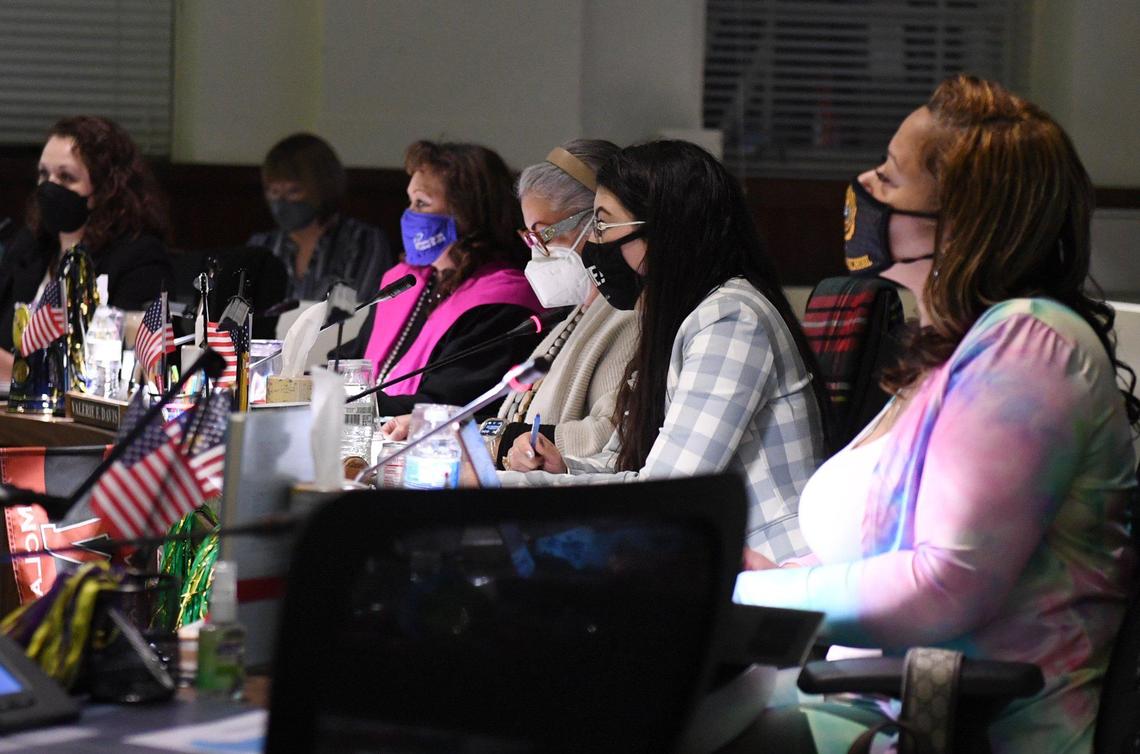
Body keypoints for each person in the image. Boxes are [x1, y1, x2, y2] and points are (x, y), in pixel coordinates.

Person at [733, 75, 1138, 752]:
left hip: (948, 726)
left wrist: (744, 597)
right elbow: (887, 545)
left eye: (890, 178)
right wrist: (774, 576)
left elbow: (947, 582)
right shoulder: (955, 354)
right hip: (867, 703)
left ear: (961, 221)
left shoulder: (1028, 344)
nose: (864, 183)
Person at [502, 140, 829, 565]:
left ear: (665, 230)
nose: (594, 245)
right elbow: (622, 458)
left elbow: (665, 492)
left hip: (768, 573)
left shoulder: (730, 320)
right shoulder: (679, 319)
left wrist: (496, 488)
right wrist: (564, 470)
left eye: (602, 226)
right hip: (710, 558)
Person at [381, 139, 639, 466]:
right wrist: (436, 429)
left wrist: (497, 441)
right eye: (529, 237)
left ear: (597, 223)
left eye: (543, 234)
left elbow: (608, 434)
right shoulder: (576, 312)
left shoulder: (630, 316)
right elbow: (514, 417)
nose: (536, 250)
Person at [336, 140, 544, 416]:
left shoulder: (504, 301)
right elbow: (352, 362)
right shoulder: (406, 283)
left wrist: (341, 404)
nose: (410, 214)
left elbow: (447, 403)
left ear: (466, 211)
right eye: (410, 201)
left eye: (422, 203)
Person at [0, 116, 174, 381]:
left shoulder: (139, 258)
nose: (50, 187)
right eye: (44, 175)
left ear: (106, 188)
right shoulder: (29, 247)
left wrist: (17, 371)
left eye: (66, 177)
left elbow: (126, 368)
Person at [247, 132, 394, 304]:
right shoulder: (262, 246)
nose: (282, 203)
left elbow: (357, 313)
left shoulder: (362, 241)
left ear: (321, 188)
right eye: (274, 192)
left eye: (293, 191)